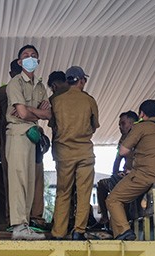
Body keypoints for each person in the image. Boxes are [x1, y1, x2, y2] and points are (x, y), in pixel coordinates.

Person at [106, 99, 155, 241]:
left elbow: (123, 151)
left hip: (144, 176)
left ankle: (125, 231)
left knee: (113, 199)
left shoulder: (141, 127)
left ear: (141, 114)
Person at [5, 45, 51, 240]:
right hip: (17, 134)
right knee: (19, 180)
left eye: (33, 56)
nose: (30, 58)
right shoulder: (15, 83)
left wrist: (28, 110)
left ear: (38, 61)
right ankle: (18, 225)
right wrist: (33, 111)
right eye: (26, 55)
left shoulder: (40, 87)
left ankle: (25, 225)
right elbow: (22, 114)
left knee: (30, 182)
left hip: (32, 135)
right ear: (19, 62)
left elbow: (48, 114)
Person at [50, 66, 99, 240]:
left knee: (63, 193)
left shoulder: (57, 101)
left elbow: (53, 126)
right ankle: (79, 231)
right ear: (81, 80)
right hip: (85, 152)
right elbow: (94, 126)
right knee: (84, 192)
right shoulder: (89, 100)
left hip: (64, 154)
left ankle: (58, 232)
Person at [0, 59, 23, 230]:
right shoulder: (32, 89)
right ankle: (27, 218)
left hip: (7, 137)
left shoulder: (3, 90)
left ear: (10, 73)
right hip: (28, 140)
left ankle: (11, 219)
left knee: (9, 179)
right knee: (27, 180)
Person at [96, 110, 139, 230]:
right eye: (119, 124)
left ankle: (124, 224)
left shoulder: (140, 136)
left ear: (132, 123)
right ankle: (105, 217)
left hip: (138, 176)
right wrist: (115, 173)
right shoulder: (123, 138)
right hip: (125, 175)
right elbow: (118, 159)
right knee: (102, 184)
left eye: (123, 124)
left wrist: (132, 171)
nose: (120, 127)